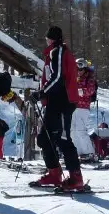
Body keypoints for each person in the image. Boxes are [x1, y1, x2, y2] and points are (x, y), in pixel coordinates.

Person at [28, 25, 83, 190]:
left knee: (63, 139)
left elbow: (58, 77)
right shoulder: (53, 53)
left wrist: (41, 92)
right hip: (53, 102)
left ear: (51, 38)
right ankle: (54, 173)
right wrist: (43, 93)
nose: (46, 40)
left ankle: (75, 178)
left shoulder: (57, 51)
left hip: (63, 101)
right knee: (44, 139)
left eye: (47, 37)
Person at [71, 58, 98, 158]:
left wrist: (78, 91)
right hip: (73, 107)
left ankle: (89, 152)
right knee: (72, 131)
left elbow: (90, 90)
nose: (79, 72)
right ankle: (77, 152)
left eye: (81, 70)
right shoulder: (74, 78)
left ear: (85, 69)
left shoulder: (89, 78)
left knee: (81, 130)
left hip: (83, 107)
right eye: (77, 70)